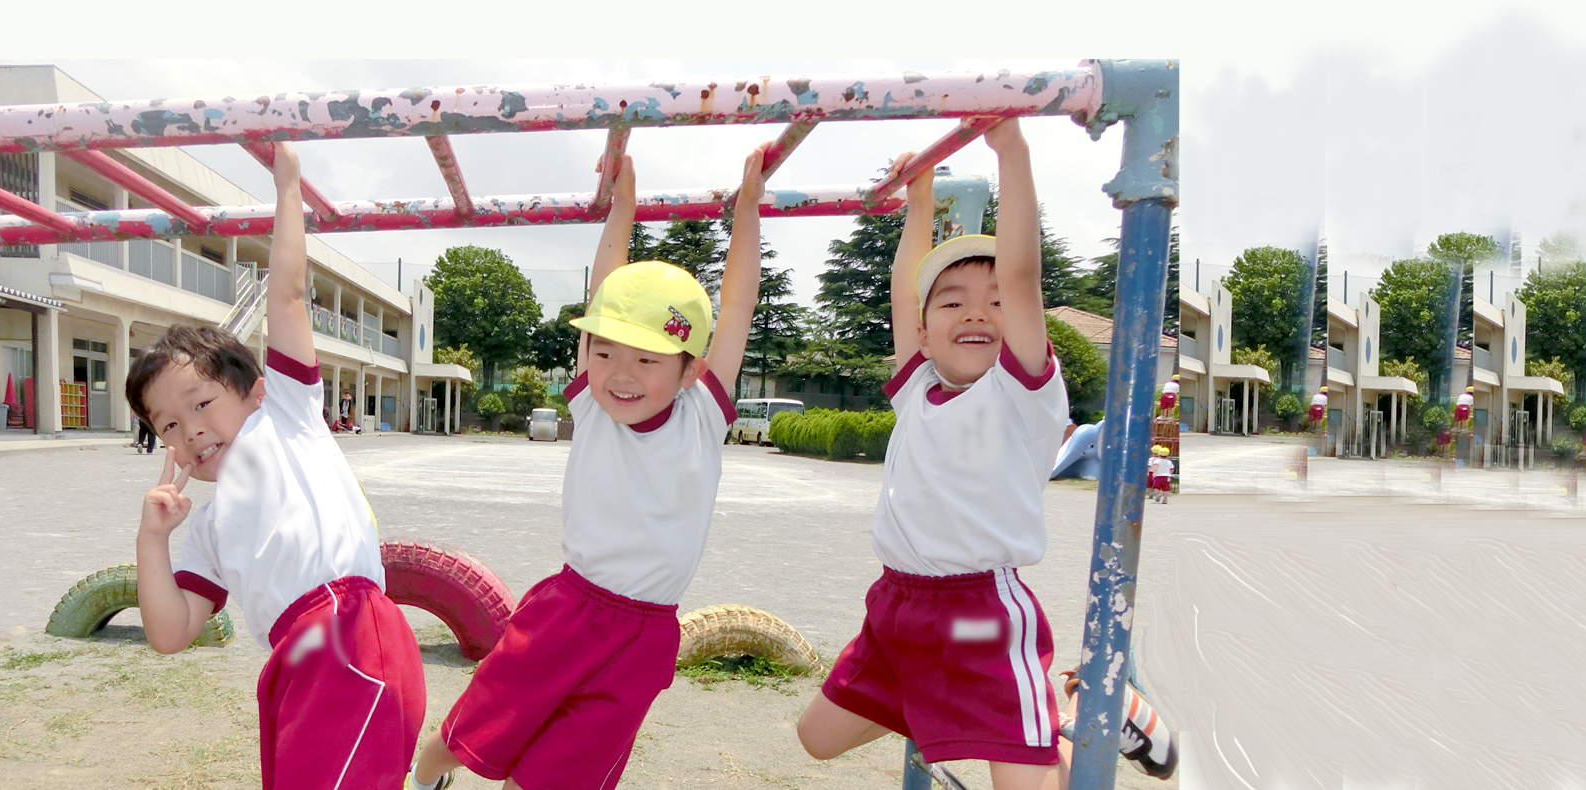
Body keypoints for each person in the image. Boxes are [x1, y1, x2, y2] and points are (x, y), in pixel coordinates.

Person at [407, 144, 763, 790]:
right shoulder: (595, 408)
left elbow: (736, 308)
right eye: (605, 353)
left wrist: (748, 211)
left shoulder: (703, 417)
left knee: (552, 780)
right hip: (567, 611)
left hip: (644, 635)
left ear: (692, 371)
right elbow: (604, 287)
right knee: (464, 736)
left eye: (647, 360)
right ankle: (426, 776)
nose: (620, 375)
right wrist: (621, 207)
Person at [794, 119, 1084, 790]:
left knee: (1024, 788)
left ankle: (1075, 723)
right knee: (816, 739)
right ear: (924, 333)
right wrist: (918, 201)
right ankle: (952, 712)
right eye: (952, 302)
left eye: (995, 304)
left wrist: (1011, 152)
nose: (976, 312)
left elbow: (1021, 272)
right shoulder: (918, 387)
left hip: (980, 615)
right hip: (897, 607)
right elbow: (906, 290)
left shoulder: (1022, 392)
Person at [128, 142, 424, 790]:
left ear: (255, 389)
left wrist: (288, 188)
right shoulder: (206, 531)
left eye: (201, 403)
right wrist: (153, 539)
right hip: (299, 660)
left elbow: (287, 297)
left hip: (350, 633)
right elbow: (171, 633)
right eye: (168, 426)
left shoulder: (285, 416)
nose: (191, 430)